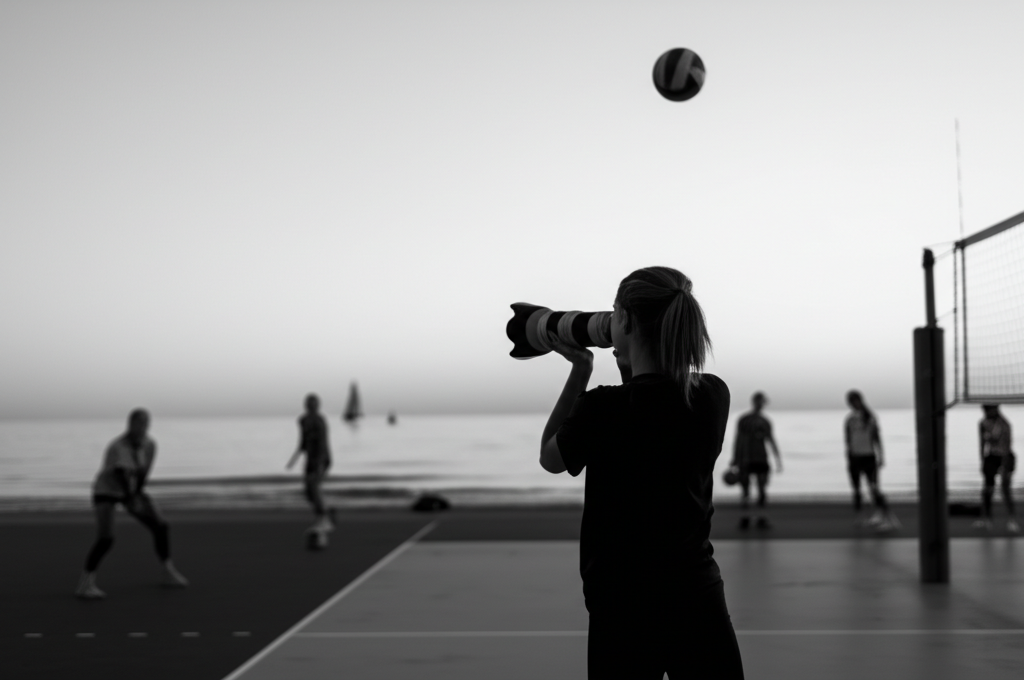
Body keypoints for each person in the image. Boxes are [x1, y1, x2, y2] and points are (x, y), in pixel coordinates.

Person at [539, 266, 744, 680]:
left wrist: (580, 369)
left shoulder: (600, 408)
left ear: (627, 321)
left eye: (614, 314)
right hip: (696, 595)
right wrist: (629, 356)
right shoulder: (711, 396)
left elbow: (551, 457)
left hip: (621, 604)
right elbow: (651, 402)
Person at [76, 408, 188, 599]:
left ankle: (167, 572)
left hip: (131, 490)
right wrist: (131, 499)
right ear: (130, 424)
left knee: (160, 526)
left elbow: (144, 472)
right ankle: (85, 584)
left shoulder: (150, 444)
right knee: (106, 538)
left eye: (146, 422)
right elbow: (121, 475)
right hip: (107, 490)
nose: (142, 426)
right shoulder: (119, 446)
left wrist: (138, 495)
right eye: (138, 422)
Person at [844, 390, 898, 532]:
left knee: (874, 488)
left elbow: (877, 438)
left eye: (855, 400)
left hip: (869, 457)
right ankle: (862, 517)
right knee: (857, 490)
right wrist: (849, 459)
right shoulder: (849, 420)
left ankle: (890, 519)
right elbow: (848, 441)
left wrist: (881, 456)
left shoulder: (870, 417)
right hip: (854, 458)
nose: (853, 404)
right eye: (851, 401)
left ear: (861, 400)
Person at [730, 392, 782, 530]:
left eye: (762, 401)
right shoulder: (744, 420)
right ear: (754, 402)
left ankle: (761, 518)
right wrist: (735, 458)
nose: (760, 404)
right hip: (746, 459)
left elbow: (771, 440)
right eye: (758, 401)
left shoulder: (765, 421)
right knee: (746, 491)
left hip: (761, 459)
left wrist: (778, 459)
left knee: (762, 490)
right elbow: (739, 440)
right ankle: (745, 518)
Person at [287, 393, 334, 533]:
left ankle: (324, 519)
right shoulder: (302, 420)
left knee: (314, 487)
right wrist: (294, 458)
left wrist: (324, 461)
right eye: (309, 403)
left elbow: (324, 442)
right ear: (306, 405)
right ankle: (325, 512)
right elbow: (302, 441)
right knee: (308, 492)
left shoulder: (320, 420)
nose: (312, 406)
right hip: (309, 458)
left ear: (318, 405)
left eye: (314, 403)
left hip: (320, 458)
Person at [974, 403, 1019, 533]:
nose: (986, 412)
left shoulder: (1004, 424)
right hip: (991, 457)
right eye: (985, 410)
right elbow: (982, 444)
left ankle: (1012, 520)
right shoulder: (982, 423)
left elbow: (1007, 445)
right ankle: (986, 520)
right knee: (987, 489)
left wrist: (1005, 466)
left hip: (1006, 456)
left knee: (1005, 489)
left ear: (995, 410)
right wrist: (983, 462)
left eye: (988, 410)